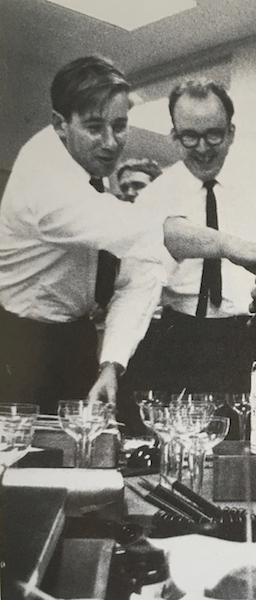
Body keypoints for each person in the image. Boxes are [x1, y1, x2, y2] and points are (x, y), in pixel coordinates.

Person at [0, 56, 171, 414]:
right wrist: (235, 247)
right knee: (19, 458)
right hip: (18, 341)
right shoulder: (45, 185)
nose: (111, 142)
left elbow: (141, 268)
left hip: (73, 335)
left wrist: (110, 364)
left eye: (120, 125)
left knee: (83, 450)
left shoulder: (89, 165)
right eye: (95, 126)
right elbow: (156, 235)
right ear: (61, 124)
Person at [116, 78, 256, 435]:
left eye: (214, 135)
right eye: (190, 136)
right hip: (178, 339)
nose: (203, 148)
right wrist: (111, 365)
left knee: (245, 446)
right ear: (174, 136)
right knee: (171, 446)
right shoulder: (153, 198)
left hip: (247, 339)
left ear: (231, 132)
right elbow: (133, 290)